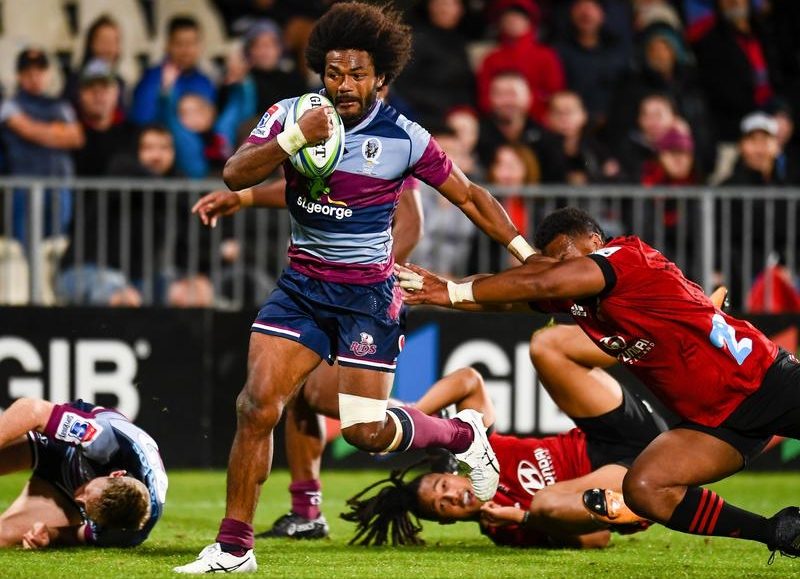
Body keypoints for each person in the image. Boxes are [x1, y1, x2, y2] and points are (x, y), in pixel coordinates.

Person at [175, 3, 536, 573]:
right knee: (256, 406)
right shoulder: (291, 114)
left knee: (365, 431)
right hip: (301, 288)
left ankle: (460, 434)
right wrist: (294, 138)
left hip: (367, 298)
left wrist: (527, 257)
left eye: (357, 74)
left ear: (381, 78)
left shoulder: (404, 138)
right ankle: (234, 547)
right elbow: (236, 171)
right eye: (334, 73)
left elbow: (469, 196)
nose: (343, 85)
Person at [399, 206, 800, 563]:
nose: (559, 269)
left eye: (564, 258)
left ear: (594, 240)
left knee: (550, 343)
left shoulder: (626, 256)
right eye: (553, 262)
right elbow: (506, 298)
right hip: (714, 421)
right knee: (645, 488)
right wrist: (444, 291)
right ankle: (777, 531)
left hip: (762, 379)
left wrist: (453, 291)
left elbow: (543, 283)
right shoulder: (580, 299)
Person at [342, 363, 661, 548]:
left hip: (606, 439)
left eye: (443, 486)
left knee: (548, 348)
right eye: (443, 506)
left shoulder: (480, 451)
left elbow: (468, 381)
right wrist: (526, 520)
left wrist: (413, 418)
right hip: (624, 484)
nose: (452, 496)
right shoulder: (503, 528)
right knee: (547, 504)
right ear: (448, 521)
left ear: (450, 474)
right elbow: (599, 539)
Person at [0, 397, 167, 548]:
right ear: (116, 475)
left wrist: (50, 535)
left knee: (3, 536)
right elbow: (32, 409)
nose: (77, 497)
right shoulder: (103, 441)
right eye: (87, 491)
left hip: (65, 486)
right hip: (62, 446)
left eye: (84, 508)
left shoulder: (126, 533)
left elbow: (79, 535)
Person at [0, 48, 84, 242]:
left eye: (40, 71)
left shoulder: (60, 105)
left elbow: (76, 138)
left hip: (58, 186)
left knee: (56, 246)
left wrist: (34, 130)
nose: (34, 77)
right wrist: (56, 131)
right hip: (24, 189)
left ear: (48, 74)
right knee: (25, 248)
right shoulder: (9, 106)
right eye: (28, 72)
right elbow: (27, 129)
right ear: (19, 76)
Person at [476, 0, 565, 123]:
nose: (513, 21)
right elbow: (484, 97)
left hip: (540, 121)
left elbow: (554, 93)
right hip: (498, 121)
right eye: (508, 17)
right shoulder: (491, 59)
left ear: (529, 22)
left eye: (519, 17)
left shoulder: (546, 56)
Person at [130, 16, 215, 126]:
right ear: (168, 45)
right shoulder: (151, 78)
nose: (186, 51)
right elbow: (143, 122)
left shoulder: (205, 82)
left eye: (192, 43)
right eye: (179, 44)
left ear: (200, 46)